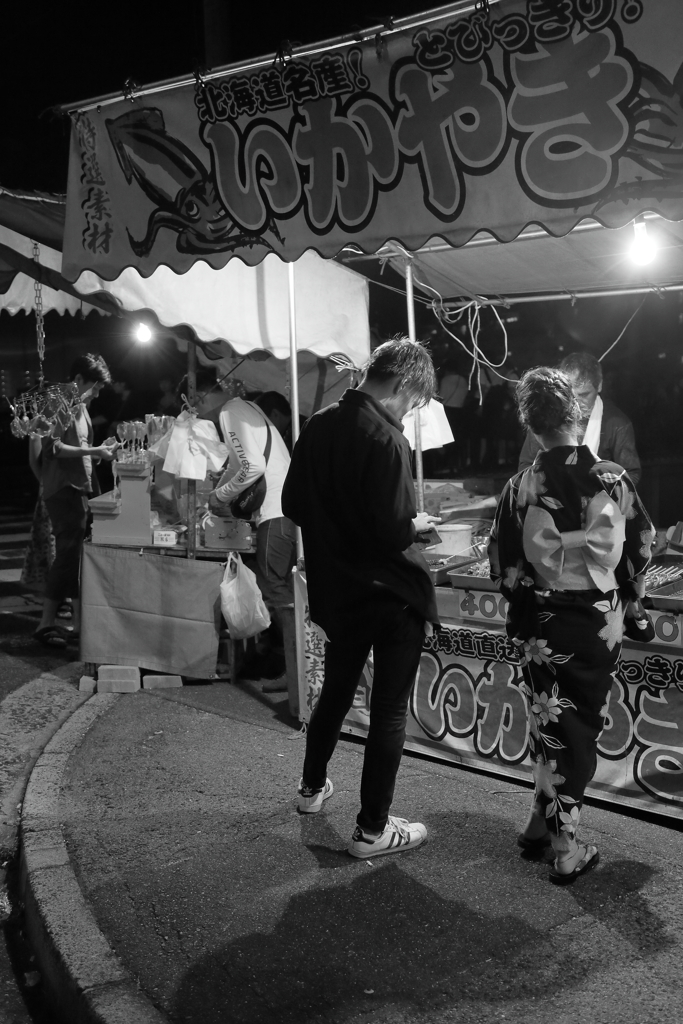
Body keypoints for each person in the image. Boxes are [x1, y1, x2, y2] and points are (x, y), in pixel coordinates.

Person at [488, 367, 654, 883]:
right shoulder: (611, 478)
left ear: (530, 425)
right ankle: (565, 846)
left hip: (541, 621)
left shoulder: (520, 486)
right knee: (577, 729)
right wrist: (634, 599)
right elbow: (639, 547)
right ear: (575, 415)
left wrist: (526, 600)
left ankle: (541, 821)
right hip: (596, 621)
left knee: (550, 722)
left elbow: (504, 564)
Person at [282, 337, 441, 859]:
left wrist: (339, 528)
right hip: (392, 597)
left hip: (339, 592)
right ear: (401, 385)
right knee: (389, 709)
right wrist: (417, 523)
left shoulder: (320, 425)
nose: (410, 411)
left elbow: (293, 504)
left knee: (336, 691)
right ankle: (373, 830)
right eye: (413, 401)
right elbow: (395, 529)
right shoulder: (387, 440)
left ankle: (311, 790)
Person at [193, 371, 296, 692]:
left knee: (274, 589)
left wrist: (217, 497)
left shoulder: (230, 412)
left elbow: (253, 467)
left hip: (277, 512)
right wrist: (217, 492)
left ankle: (299, 670)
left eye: (195, 401)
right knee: (277, 588)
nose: (196, 411)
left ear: (207, 395)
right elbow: (239, 467)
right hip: (285, 509)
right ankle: (293, 665)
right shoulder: (245, 409)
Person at [34, 353, 119, 647]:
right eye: (94, 386)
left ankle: (79, 624)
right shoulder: (59, 402)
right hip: (63, 488)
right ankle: (46, 622)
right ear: (79, 379)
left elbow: (83, 450)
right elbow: (54, 448)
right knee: (69, 555)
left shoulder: (81, 407)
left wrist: (98, 451)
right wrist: (95, 451)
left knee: (76, 557)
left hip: (78, 487)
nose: (96, 393)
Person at [518, 352, 641, 484]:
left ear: (599, 385)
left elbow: (631, 474)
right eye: (571, 395)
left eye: (584, 395)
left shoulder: (617, 424)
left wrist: (596, 494)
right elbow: (526, 466)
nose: (576, 402)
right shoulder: (547, 415)